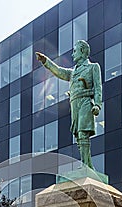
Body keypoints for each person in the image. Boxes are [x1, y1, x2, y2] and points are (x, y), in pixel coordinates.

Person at [36, 40, 102, 169]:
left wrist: (97, 105)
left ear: (83, 52)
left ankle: (86, 166)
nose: (72, 55)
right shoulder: (73, 72)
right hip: (74, 103)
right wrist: (46, 61)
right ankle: (87, 164)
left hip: (85, 101)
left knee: (83, 133)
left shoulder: (93, 67)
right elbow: (59, 71)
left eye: (75, 51)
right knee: (78, 135)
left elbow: (98, 87)